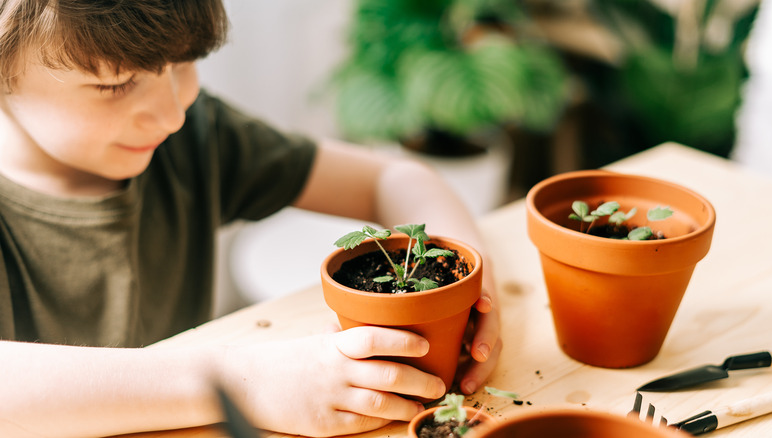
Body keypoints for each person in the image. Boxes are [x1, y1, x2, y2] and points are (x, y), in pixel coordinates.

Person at [0, 1, 502, 437]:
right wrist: (243, 384)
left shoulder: (195, 135)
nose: (172, 112)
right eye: (115, 84)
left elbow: (393, 180)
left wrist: (472, 290)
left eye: (184, 64)